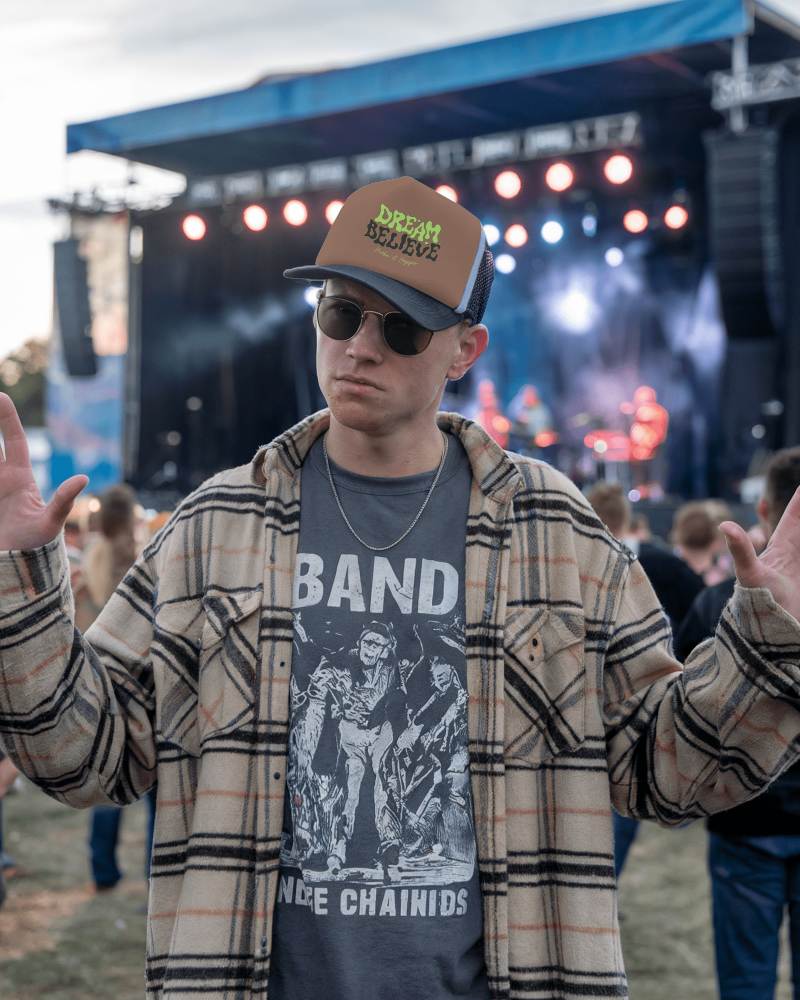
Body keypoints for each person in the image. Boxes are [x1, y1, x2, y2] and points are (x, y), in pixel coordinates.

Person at [0, 176, 798, 1000]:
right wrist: (18, 587)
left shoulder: (555, 530)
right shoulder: (216, 523)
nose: (360, 346)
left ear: (465, 349)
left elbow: (667, 773)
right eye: (341, 313)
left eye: (404, 327)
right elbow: (81, 758)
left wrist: (772, 645)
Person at [674, 447, 800, 1000]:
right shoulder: (714, 601)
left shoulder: (714, 602)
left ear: (766, 506)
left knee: (745, 983)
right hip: (744, 826)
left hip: (743, 819)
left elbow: (678, 712)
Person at [586, 482, 705, 876]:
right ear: (624, 516)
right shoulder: (667, 566)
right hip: (637, 714)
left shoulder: (573, 569)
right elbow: (702, 625)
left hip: (618, 714)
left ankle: (604, 889)